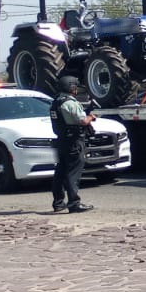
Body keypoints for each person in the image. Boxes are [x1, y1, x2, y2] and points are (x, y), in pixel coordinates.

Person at [49, 76, 96, 213]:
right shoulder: (70, 103)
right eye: (75, 86)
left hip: (62, 140)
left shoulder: (56, 102)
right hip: (73, 141)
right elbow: (82, 121)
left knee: (61, 172)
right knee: (73, 173)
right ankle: (74, 203)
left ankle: (58, 203)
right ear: (71, 87)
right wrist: (90, 117)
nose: (76, 89)